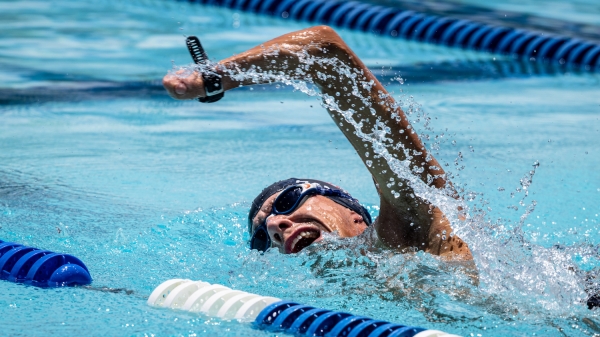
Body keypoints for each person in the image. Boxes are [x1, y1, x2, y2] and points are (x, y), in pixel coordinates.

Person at [163, 25, 472, 261]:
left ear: (352, 212)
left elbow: (323, 53)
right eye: (260, 238)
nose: (274, 226)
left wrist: (217, 77)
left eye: (286, 202)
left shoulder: (416, 222)